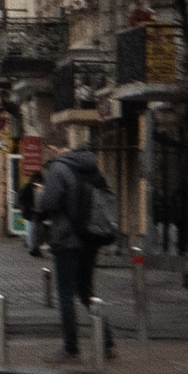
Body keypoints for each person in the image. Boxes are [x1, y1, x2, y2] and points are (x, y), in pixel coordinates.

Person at [35, 144, 111, 360]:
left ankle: (70, 348)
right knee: (87, 291)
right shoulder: (94, 169)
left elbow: (49, 202)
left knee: (66, 294)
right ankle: (107, 342)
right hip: (90, 238)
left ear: (59, 149)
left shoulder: (58, 169)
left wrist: (40, 195)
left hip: (67, 239)